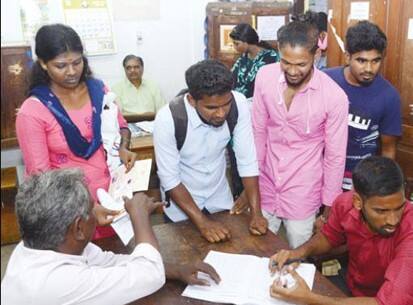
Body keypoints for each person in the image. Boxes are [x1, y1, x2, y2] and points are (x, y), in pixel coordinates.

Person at [0, 169, 220, 305]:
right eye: (91, 208)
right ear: (78, 228)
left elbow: (108, 261)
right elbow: (149, 275)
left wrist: (174, 269)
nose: (97, 212)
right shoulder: (53, 282)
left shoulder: (41, 245)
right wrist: (140, 218)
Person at [15, 24, 137, 239]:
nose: (71, 72)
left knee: (117, 263)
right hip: (69, 213)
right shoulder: (33, 111)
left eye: (77, 62)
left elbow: (121, 126)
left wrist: (124, 148)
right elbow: (41, 180)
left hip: (112, 200)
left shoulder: (99, 91)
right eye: (60, 65)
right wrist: (86, 209)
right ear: (43, 64)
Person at [251, 20, 348, 248]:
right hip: (266, 181)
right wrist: (251, 185)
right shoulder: (265, 78)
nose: (293, 71)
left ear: (316, 56)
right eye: (286, 62)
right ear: (278, 53)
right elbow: (258, 131)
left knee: (300, 255)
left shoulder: (334, 97)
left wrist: (328, 207)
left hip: (303, 190)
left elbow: (335, 156)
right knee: (258, 250)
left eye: (301, 64)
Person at [269, 156, 413, 305]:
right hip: (352, 285)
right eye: (381, 211)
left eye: (399, 208)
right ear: (357, 202)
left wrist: (310, 299)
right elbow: (328, 237)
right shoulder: (344, 204)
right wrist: (298, 253)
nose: (393, 220)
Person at [153, 59, 268, 243]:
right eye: (211, 108)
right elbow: (170, 179)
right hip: (181, 206)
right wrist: (203, 223)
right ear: (192, 100)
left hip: (219, 199)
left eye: (225, 104)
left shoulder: (238, 105)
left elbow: (247, 160)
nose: (221, 113)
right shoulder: (168, 119)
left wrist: (256, 213)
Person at [324, 21, 402, 191]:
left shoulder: (389, 96)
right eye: (361, 60)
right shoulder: (325, 81)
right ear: (347, 57)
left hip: (360, 183)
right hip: (321, 176)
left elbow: (388, 150)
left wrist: (382, 187)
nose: (369, 68)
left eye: (375, 61)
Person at [230, 23, 279, 100]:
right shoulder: (243, 57)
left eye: (237, 44)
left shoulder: (271, 57)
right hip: (240, 101)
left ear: (246, 42)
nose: (234, 47)